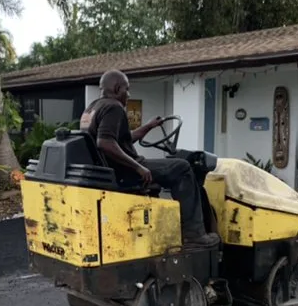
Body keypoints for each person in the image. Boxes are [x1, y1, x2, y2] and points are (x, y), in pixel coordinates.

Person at [81, 69, 221, 249]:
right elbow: (105, 143)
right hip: (127, 171)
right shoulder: (114, 107)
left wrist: (148, 126)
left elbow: (122, 139)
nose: (128, 94)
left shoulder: (93, 108)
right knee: (183, 168)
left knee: (175, 167)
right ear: (117, 88)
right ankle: (194, 234)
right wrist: (138, 167)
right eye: (127, 89)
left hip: (113, 169)